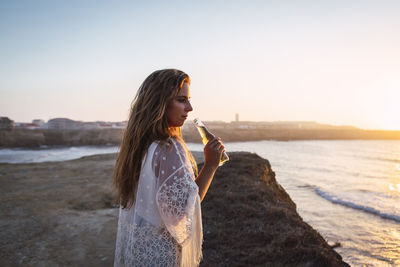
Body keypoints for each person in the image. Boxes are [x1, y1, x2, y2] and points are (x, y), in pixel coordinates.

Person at [113, 69, 225, 267]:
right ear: (160, 102)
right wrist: (210, 166)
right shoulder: (168, 147)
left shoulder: (137, 146)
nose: (190, 107)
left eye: (188, 99)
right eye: (182, 100)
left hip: (138, 252)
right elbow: (182, 213)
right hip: (161, 256)